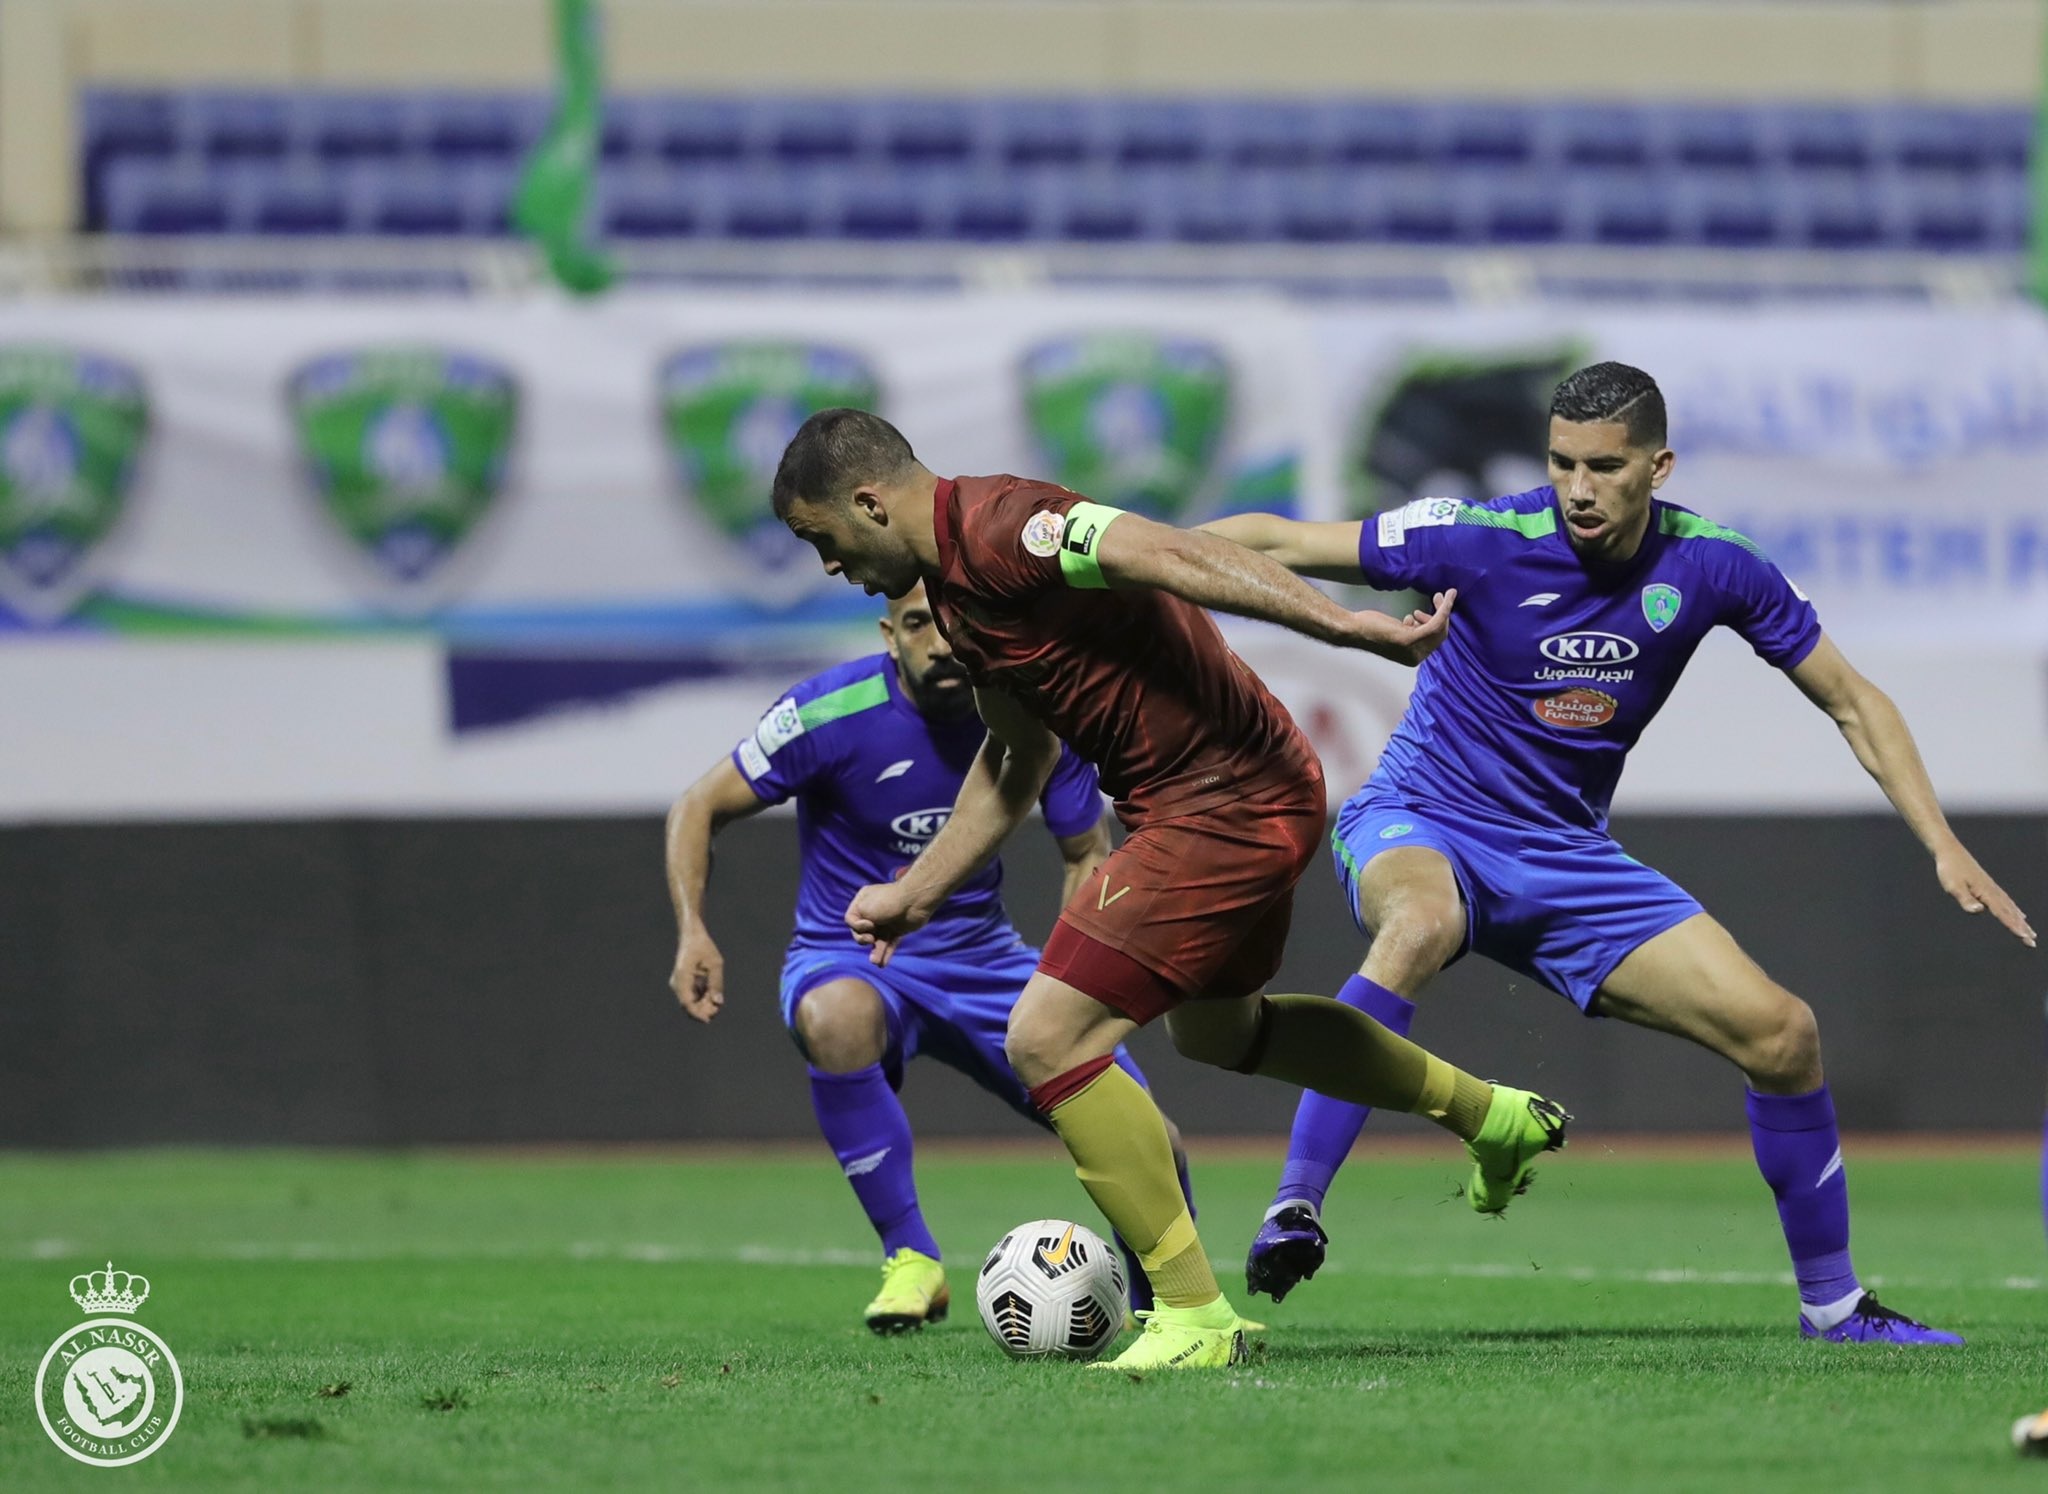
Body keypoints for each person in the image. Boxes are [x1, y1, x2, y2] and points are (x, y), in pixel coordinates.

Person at [1208, 360, 2035, 1344]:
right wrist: (1115, 561)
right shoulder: (1479, 539)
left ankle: (1834, 1308)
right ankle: (1294, 1205)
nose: (1576, 488)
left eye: (1602, 467)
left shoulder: (1713, 565)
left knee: (1781, 1035)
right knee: (1419, 921)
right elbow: (1271, 535)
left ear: (1658, 466)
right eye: (1560, 463)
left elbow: (1851, 698)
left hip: (1565, 857)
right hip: (1423, 817)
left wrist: (1939, 843)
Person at [770, 407, 1570, 1372]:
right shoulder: (953, 599)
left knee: (1044, 1038)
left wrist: (1345, 629)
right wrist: (919, 889)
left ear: (867, 502)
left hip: (1223, 800)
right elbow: (1018, 753)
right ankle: (1493, 1117)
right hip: (1210, 800)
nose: (825, 565)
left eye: (820, 539)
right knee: (1222, 1033)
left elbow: (1173, 554)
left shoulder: (1005, 527)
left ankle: (1194, 1313)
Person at [666, 581, 1199, 1334]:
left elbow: (1086, 854)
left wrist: (1076, 984)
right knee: (835, 1015)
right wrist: (694, 928)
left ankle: (1168, 1308)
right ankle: (910, 1257)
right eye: (919, 625)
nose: (941, 644)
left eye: (956, 626)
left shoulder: (1038, 714)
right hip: (849, 954)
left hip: (985, 959)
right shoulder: (825, 712)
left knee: (1156, 1139)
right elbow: (699, 804)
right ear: (890, 635)